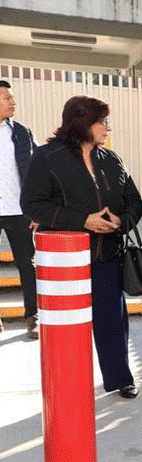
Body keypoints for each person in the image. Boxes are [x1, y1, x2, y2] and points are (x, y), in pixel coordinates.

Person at [21, 95, 142, 397]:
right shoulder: (48, 156)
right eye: (102, 122)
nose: (107, 129)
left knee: (112, 321)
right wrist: (82, 221)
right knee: (65, 329)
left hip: (108, 254)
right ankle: (67, 388)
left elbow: (135, 202)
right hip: (65, 259)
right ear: (82, 123)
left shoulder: (111, 159)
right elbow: (32, 205)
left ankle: (119, 378)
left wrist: (121, 221)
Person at [0, 80, 38, 338]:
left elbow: (35, 172)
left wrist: (36, 209)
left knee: (27, 264)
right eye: (7, 98)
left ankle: (32, 316)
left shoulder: (21, 132)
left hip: (18, 209)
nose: (13, 102)